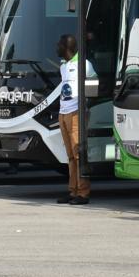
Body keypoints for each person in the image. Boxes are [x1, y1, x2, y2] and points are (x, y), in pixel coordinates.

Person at [56, 34, 93, 205]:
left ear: (66, 46)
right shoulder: (64, 66)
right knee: (70, 156)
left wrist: (83, 106)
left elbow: (94, 84)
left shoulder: (84, 64)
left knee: (79, 154)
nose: (56, 47)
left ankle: (83, 192)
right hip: (63, 113)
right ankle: (73, 190)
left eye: (59, 44)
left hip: (76, 113)